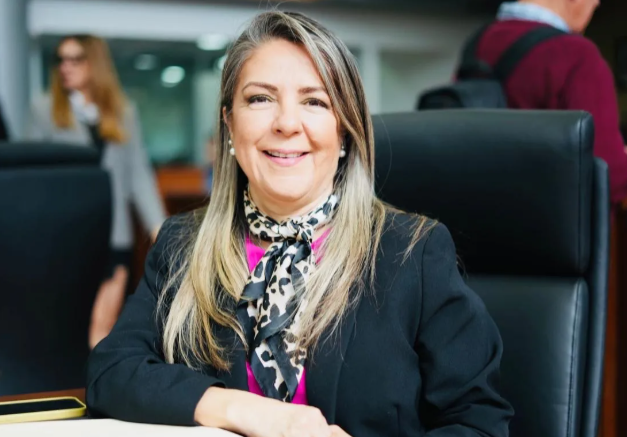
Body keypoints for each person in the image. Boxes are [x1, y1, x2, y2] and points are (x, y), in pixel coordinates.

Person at [86, 11, 513, 437]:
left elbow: (479, 422)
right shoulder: (182, 245)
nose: (287, 124)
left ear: (344, 130)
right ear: (229, 123)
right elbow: (111, 371)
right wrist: (246, 410)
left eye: (315, 101)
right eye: (260, 99)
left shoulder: (412, 253)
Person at [25, 35, 167, 349]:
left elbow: (138, 173)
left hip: (114, 232)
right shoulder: (44, 109)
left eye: (75, 59)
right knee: (68, 323)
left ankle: (97, 377)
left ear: (95, 63)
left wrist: (158, 226)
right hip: (65, 233)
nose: (66, 67)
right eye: (61, 60)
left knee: (104, 323)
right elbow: (33, 175)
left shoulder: (122, 110)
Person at [474, 0, 627, 206]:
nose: (596, 4)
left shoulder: (477, 44)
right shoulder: (578, 55)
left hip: (478, 216)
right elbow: (609, 176)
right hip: (547, 221)